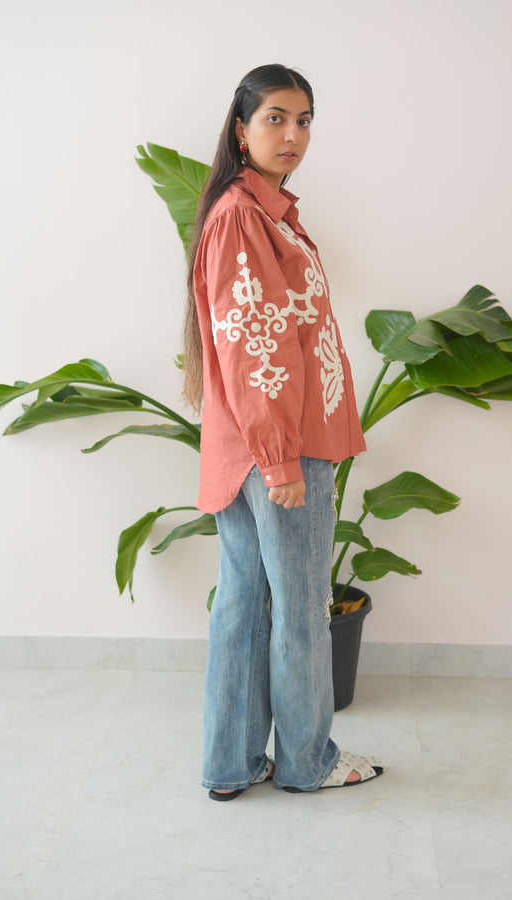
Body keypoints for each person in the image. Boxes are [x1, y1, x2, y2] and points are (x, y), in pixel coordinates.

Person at [185, 64, 383, 799]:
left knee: (244, 600)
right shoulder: (244, 216)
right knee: (299, 605)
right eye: (275, 118)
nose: (292, 134)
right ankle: (306, 760)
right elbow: (254, 346)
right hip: (280, 447)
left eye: (304, 119)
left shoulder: (264, 213)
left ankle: (231, 766)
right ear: (241, 128)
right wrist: (280, 462)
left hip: (253, 447)